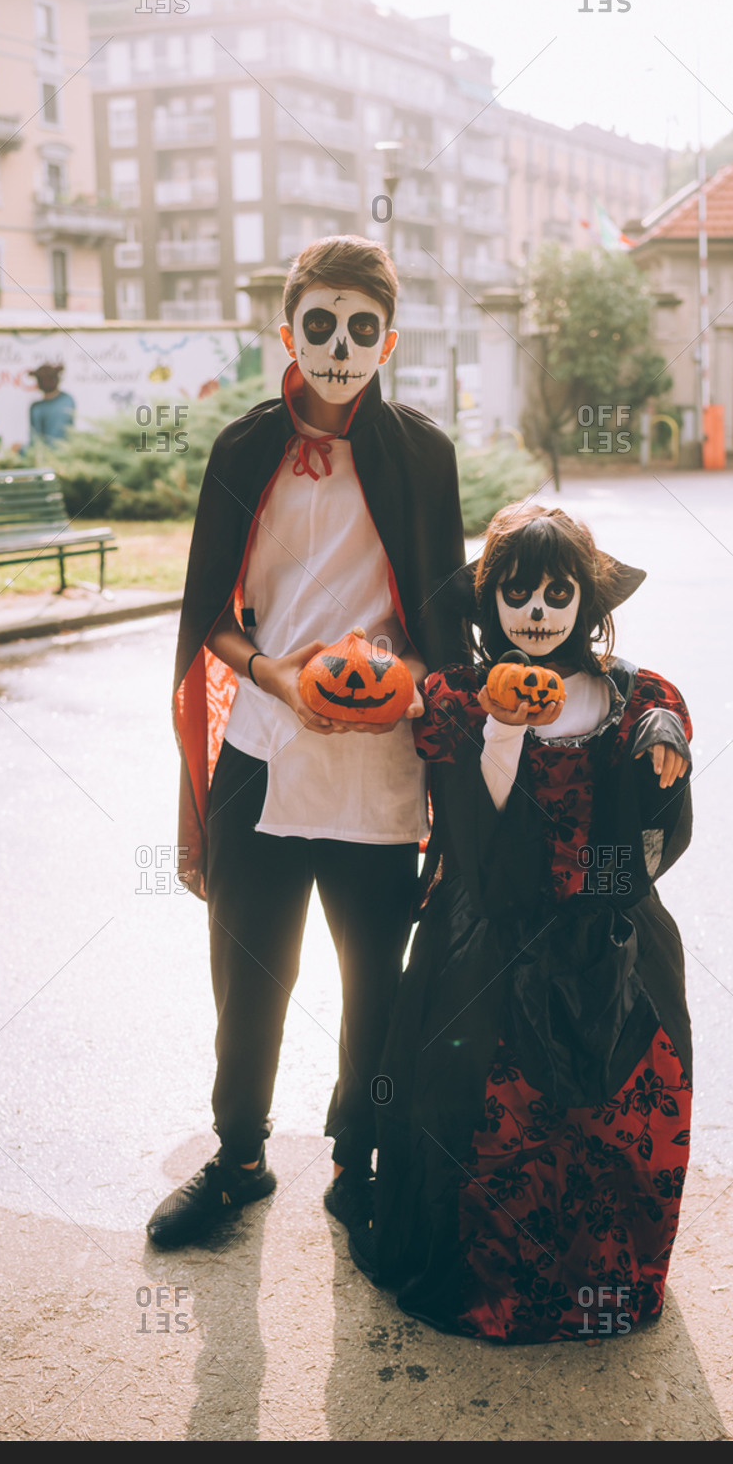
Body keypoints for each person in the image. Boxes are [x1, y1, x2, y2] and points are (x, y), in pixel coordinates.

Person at [146, 236, 466, 1249]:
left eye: (359, 329)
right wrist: (278, 673)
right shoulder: (244, 450)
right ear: (287, 333)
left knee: (375, 977)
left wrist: (402, 686)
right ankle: (239, 1158)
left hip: (378, 769)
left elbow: (443, 623)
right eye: (319, 326)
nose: (338, 346)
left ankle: (354, 1160)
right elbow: (212, 612)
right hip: (263, 755)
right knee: (250, 977)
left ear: (389, 341)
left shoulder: (424, 455)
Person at [360, 503, 694, 1342]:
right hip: (491, 932)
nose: (537, 613)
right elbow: (477, 840)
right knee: (491, 1116)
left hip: (608, 936)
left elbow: (659, 829)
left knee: (611, 1117)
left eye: (556, 592)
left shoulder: (639, 695)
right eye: (518, 593)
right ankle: (498, 1289)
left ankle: (602, 1282)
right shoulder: (458, 700)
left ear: (586, 602)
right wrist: (503, 733)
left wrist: (662, 747)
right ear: (491, 604)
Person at [27, 362, 75, 446]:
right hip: (67, 451)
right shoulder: (68, 399)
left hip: (47, 454)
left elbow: (35, 441)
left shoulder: (36, 408)